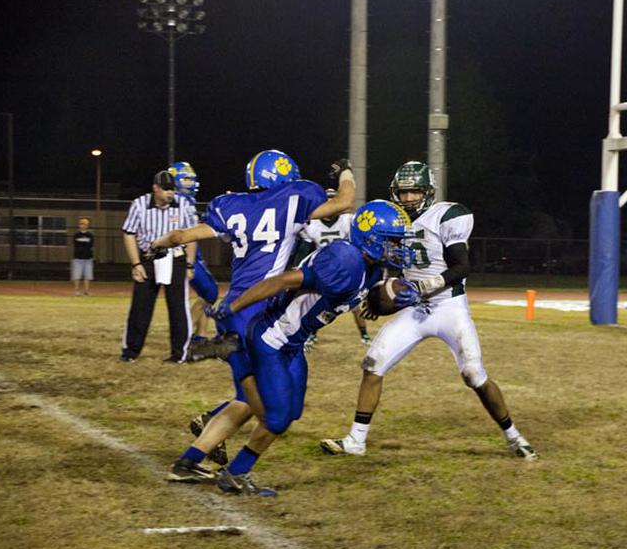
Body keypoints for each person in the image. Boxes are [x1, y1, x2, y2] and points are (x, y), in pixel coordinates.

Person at [189, 200, 417, 496]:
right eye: (393, 241)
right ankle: (234, 469)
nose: (398, 248)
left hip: (294, 344)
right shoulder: (344, 260)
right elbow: (282, 281)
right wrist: (232, 307)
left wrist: (384, 301)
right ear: (370, 237)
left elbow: (358, 296)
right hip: (273, 338)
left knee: (290, 413)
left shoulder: (370, 267)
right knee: (276, 417)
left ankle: (219, 466)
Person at [152, 151, 356, 477]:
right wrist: (345, 172)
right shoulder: (293, 198)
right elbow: (345, 202)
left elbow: (179, 237)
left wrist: (157, 244)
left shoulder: (230, 204)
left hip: (233, 306)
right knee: (274, 413)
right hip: (258, 310)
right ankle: (236, 468)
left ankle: (189, 460)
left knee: (245, 400)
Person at [320, 161, 538, 460]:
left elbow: (463, 266)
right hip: (414, 307)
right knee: (373, 364)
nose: (408, 198)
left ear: (428, 191)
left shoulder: (446, 215)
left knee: (474, 375)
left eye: (415, 192)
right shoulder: (393, 220)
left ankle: (514, 437)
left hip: (448, 305)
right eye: (404, 192)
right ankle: (355, 440)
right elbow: (384, 262)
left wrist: (427, 285)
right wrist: (381, 292)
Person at [120, 170, 197, 363]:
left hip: (175, 258)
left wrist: (189, 264)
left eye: (172, 189)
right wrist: (136, 263)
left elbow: (192, 236)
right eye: (166, 189)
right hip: (149, 259)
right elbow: (129, 233)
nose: (170, 193)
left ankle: (179, 354)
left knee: (178, 307)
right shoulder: (139, 204)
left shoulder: (183, 205)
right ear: (155, 188)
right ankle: (130, 352)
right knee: (140, 307)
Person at [297, 189, 372, 348]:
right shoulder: (312, 224)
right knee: (313, 306)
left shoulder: (347, 221)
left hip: (345, 271)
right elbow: (304, 249)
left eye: (333, 201)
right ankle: (310, 334)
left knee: (355, 304)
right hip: (321, 272)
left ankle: (364, 334)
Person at [168, 161, 220, 341]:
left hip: (192, 253)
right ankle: (184, 333)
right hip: (185, 254)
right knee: (210, 292)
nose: (190, 183)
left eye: (192, 179)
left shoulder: (184, 201)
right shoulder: (178, 201)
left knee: (206, 294)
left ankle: (201, 336)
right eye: (186, 179)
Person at [71, 217, 94, 296]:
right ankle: (76, 291)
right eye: (82, 224)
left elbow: (91, 245)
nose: (84, 226)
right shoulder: (76, 235)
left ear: (87, 225)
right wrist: (84, 243)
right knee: (77, 275)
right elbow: (76, 245)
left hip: (88, 258)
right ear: (79, 225)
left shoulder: (90, 235)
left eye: (85, 224)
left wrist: (82, 243)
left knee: (87, 276)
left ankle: (86, 291)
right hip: (78, 258)